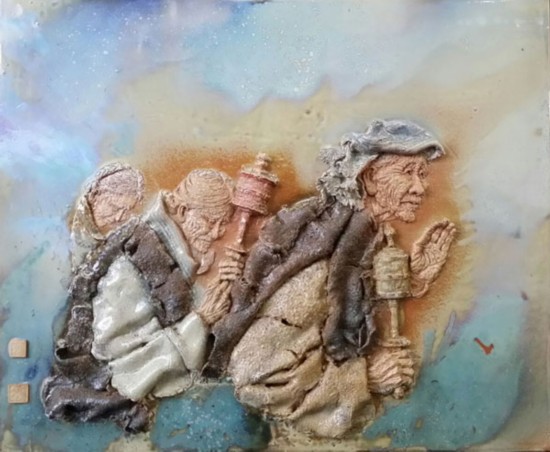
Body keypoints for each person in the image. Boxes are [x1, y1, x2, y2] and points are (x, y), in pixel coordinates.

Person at [205, 119, 457, 437]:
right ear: (370, 178)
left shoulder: (359, 240)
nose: (421, 188)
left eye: (422, 174)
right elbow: (256, 376)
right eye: (407, 172)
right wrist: (364, 379)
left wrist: (411, 280)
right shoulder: (322, 256)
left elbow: (342, 302)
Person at [42, 168, 241, 432]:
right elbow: (118, 364)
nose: (216, 233)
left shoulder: (173, 255)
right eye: (210, 221)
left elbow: (178, 313)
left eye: (223, 224)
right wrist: (200, 321)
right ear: (183, 211)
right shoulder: (129, 266)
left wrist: (223, 285)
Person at [70, 162, 145, 270]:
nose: (119, 217)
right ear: (94, 196)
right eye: (114, 208)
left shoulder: (126, 234)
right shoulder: (73, 240)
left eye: (126, 211)